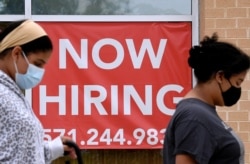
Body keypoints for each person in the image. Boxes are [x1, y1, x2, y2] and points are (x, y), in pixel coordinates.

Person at [162, 33, 250, 164]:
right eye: (237, 82)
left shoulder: (202, 112)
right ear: (220, 76)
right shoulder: (194, 116)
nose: (237, 89)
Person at [0, 19, 77, 163]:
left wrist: (53, 148)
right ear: (16, 53)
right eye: (37, 63)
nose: (40, 72)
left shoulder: (12, 93)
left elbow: (18, 153)